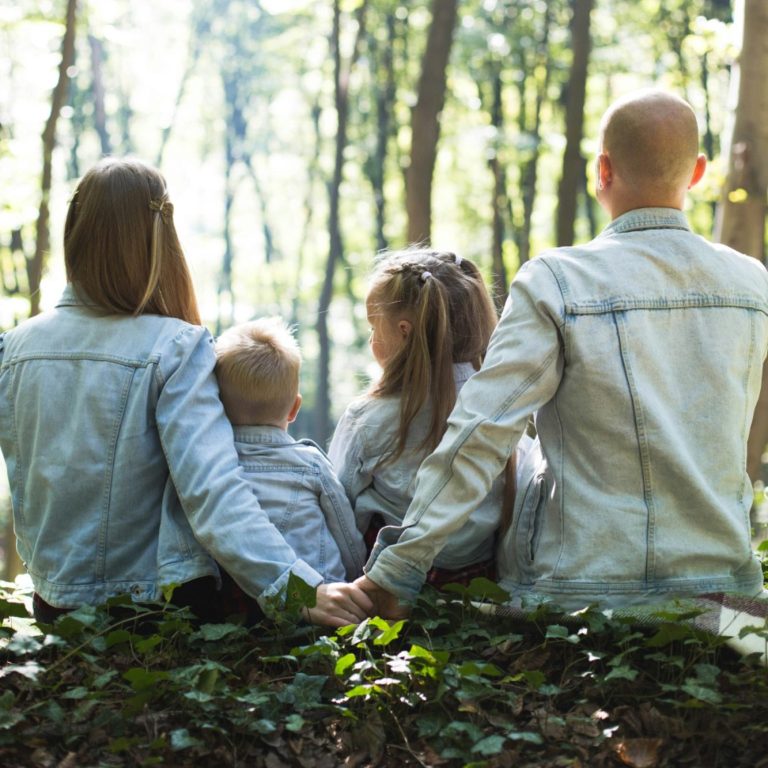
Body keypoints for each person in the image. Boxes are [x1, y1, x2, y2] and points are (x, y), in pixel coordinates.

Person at [355, 89, 768, 616]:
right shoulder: (752, 284)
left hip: (579, 590)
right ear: (698, 173)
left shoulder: (558, 281)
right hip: (725, 591)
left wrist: (398, 570)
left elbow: (482, 431)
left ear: (602, 170)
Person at [0, 157, 371, 627]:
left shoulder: (13, 347)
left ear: (75, 230)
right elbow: (213, 491)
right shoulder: (175, 346)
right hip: (151, 612)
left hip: (53, 607)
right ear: (160, 239)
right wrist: (298, 589)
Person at [329, 249, 533, 587]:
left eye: (374, 327)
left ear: (404, 331)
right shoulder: (502, 411)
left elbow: (339, 506)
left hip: (386, 584)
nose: (371, 339)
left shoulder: (369, 417)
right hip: (478, 582)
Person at [213, 316, 366, 583]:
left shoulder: (211, 467)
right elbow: (346, 535)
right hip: (320, 593)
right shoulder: (311, 465)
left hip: (242, 600)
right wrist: (356, 578)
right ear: (295, 409)